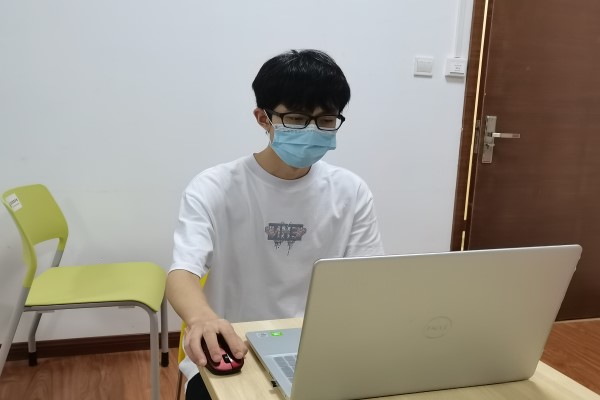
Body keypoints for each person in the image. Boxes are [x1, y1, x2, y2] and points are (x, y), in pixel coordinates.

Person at [166, 49, 384, 399]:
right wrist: (202, 318)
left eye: (326, 120)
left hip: (319, 348)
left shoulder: (351, 191)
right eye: (296, 118)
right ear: (262, 118)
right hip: (233, 347)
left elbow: (367, 280)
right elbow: (182, 273)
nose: (312, 130)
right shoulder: (214, 187)